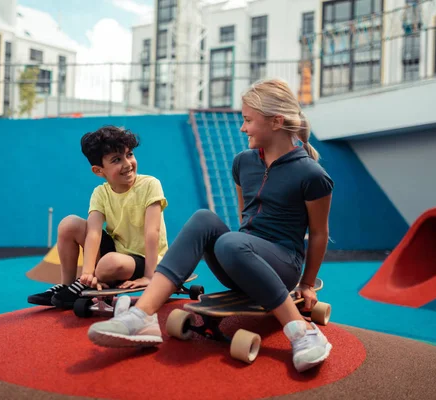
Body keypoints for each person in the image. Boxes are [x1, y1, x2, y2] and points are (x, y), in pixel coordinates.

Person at [86, 79, 334, 373]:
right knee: (205, 218)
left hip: (285, 265)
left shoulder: (312, 174)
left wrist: (306, 283)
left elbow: (319, 234)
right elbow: (245, 219)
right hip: (242, 257)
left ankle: (301, 331)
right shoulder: (243, 162)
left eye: (248, 120)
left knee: (231, 242)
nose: (243, 128)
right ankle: (143, 317)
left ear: (276, 122)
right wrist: (240, 250)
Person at [27, 126, 169, 309]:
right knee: (68, 224)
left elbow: (152, 232)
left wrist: (150, 276)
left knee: (108, 263)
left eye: (130, 154)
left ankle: (90, 282)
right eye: (117, 160)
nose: (127, 164)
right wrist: (86, 272)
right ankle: (70, 285)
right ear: (99, 170)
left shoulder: (150, 184)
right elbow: (93, 233)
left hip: (147, 259)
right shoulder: (100, 193)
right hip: (117, 252)